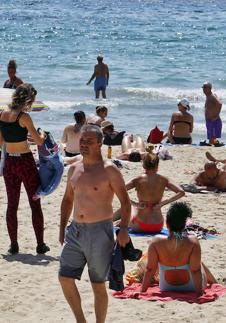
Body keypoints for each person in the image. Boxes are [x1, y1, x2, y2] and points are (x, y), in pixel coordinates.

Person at [58, 125, 131, 323]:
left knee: (97, 285)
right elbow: (67, 199)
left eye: (89, 141)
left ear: (100, 143)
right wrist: (61, 227)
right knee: (65, 278)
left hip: (100, 231)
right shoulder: (74, 168)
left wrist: (124, 229)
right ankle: (81, 320)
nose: (84, 144)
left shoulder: (109, 170)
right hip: (75, 231)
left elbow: (125, 202)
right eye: (82, 141)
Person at [0, 83, 48, 255]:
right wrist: (42, 134)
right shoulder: (24, 117)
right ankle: (40, 245)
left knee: (12, 205)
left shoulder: (2, 115)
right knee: (34, 203)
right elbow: (39, 141)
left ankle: (13, 245)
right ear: (28, 99)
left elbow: (1, 142)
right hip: (25, 162)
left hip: (9, 165)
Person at [141, 202, 217, 294]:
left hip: (166, 286)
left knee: (194, 261)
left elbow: (150, 269)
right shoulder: (192, 241)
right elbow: (195, 270)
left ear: (167, 224)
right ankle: (216, 283)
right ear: (184, 225)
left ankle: (216, 283)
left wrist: (142, 291)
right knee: (197, 262)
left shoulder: (156, 241)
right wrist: (200, 293)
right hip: (191, 286)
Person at [114, 153, 185, 233]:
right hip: (158, 225)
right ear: (157, 165)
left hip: (140, 224)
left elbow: (118, 190)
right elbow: (181, 192)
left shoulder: (138, 179)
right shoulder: (164, 179)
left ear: (144, 165)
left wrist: (135, 204)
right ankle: (117, 221)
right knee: (132, 208)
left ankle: (111, 220)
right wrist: (163, 203)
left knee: (130, 207)